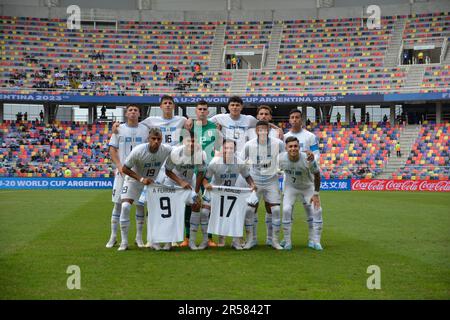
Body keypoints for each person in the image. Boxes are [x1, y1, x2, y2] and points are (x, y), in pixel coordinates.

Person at [118, 127, 173, 251]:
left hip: (150, 184)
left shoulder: (166, 149)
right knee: (125, 206)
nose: (156, 141)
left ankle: (148, 239)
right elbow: (125, 169)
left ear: (162, 139)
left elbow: (179, 151)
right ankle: (124, 242)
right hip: (133, 181)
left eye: (159, 139)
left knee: (152, 212)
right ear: (148, 139)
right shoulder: (138, 151)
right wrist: (141, 179)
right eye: (153, 139)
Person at [106, 105, 149, 249]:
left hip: (139, 174)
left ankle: (139, 237)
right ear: (126, 114)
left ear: (139, 114)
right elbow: (112, 149)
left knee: (140, 205)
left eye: (136, 110)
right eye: (130, 110)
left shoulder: (145, 129)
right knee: (118, 204)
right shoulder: (118, 129)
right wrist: (118, 166)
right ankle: (113, 236)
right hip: (122, 173)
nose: (133, 112)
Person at [202, 139, 257, 250]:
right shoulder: (215, 162)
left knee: (237, 214)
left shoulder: (240, 163)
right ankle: (205, 241)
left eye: (231, 148)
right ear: (222, 149)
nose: (229, 150)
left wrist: (252, 185)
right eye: (226, 148)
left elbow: (247, 177)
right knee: (204, 212)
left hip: (231, 193)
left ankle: (235, 241)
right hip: (215, 192)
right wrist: (206, 185)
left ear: (235, 150)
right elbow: (205, 179)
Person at [242, 120, 285, 250]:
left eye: (265, 129)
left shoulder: (278, 143)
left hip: (272, 181)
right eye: (259, 129)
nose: (262, 131)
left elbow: (284, 159)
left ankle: (273, 240)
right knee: (250, 210)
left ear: (268, 130)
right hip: (255, 181)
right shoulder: (249, 145)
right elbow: (240, 161)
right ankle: (251, 240)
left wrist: (280, 169)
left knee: (276, 210)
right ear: (256, 131)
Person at [279, 136, 323, 250]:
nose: (293, 148)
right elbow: (273, 172)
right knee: (286, 210)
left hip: (307, 187)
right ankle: (287, 241)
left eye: (295, 146)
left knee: (317, 210)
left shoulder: (308, 158)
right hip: (290, 187)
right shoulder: (280, 158)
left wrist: (316, 194)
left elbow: (317, 174)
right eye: (290, 146)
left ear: (299, 147)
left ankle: (316, 240)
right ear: (286, 148)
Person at [164, 131, 205, 250]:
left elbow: (200, 173)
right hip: (173, 181)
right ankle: (169, 241)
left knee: (196, 204)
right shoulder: (175, 152)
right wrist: (180, 182)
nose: (191, 143)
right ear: (184, 142)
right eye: (189, 141)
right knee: (170, 210)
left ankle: (191, 241)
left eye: (194, 141)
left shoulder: (200, 154)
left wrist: (196, 191)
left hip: (189, 182)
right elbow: (168, 171)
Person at [189, 100, 223, 248]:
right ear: (196, 112)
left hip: (209, 173)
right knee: (190, 204)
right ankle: (187, 237)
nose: (202, 111)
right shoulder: (190, 127)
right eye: (199, 109)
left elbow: (219, 148)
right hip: (192, 172)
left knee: (208, 207)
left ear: (208, 112)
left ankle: (208, 237)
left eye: (204, 109)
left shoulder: (214, 128)